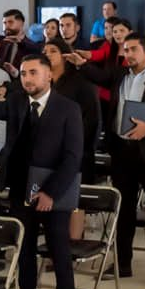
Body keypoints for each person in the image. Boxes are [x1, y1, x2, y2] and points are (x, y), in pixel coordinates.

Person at [66, 34, 145, 289]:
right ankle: (123, 262)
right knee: (125, 210)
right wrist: (80, 63)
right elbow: (97, 77)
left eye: (133, 49)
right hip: (122, 152)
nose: (128, 54)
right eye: (125, 50)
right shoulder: (120, 75)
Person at [0, 54, 83, 289]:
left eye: (33, 73)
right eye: (23, 73)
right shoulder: (15, 102)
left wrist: (50, 192)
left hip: (53, 191)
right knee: (23, 250)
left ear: (48, 75)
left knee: (58, 250)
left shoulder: (68, 108)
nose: (27, 79)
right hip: (21, 188)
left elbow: (73, 158)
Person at [43, 41, 101, 183]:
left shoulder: (81, 82)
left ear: (65, 55)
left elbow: (92, 120)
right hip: (47, 152)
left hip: (75, 152)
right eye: (44, 52)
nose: (47, 55)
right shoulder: (42, 82)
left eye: (53, 51)